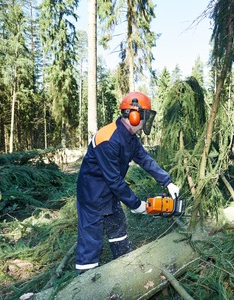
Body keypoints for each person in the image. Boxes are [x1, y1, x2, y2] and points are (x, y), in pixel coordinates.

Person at [75, 91, 180, 272]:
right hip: (92, 195)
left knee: (118, 230)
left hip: (110, 194)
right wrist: (136, 204)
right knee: (91, 242)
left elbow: (145, 160)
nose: (146, 122)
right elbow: (114, 180)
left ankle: (124, 268)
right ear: (133, 115)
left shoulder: (130, 138)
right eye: (144, 117)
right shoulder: (108, 138)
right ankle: (85, 282)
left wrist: (167, 182)